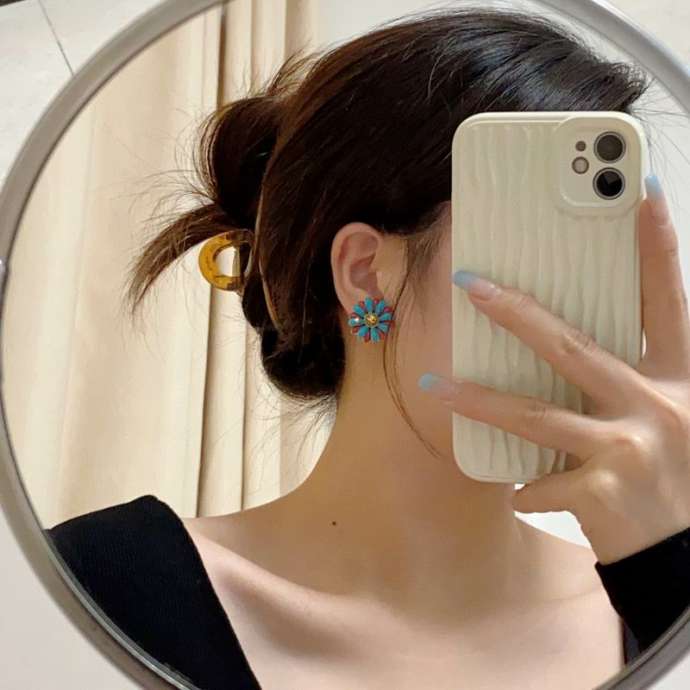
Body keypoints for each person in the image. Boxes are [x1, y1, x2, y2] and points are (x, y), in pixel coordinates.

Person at [46, 7, 690, 690]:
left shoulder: (655, 602)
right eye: (543, 246)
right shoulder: (100, 591)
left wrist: (670, 569)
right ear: (363, 272)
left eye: (603, 255)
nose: (585, 312)